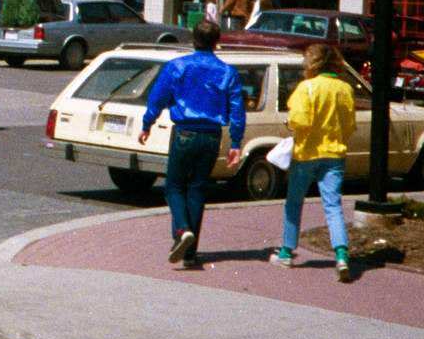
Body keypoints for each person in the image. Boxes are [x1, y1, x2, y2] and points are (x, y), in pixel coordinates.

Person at [139, 19, 246, 268]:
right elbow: (237, 109)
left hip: (185, 132)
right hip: (211, 135)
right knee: (197, 189)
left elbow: (157, 97)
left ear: (193, 39)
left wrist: (147, 124)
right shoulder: (228, 72)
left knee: (174, 187)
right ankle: (190, 253)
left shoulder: (177, 66)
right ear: (217, 42)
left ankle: (182, 231)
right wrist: (236, 143)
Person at [271, 42, 356, 281]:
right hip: (334, 154)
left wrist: (290, 124)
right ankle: (341, 255)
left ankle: (287, 252)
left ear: (312, 64)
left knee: (294, 202)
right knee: (333, 206)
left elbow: (300, 120)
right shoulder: (345, 89)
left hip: (307, 153)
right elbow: (349, 125)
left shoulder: (306, 88)